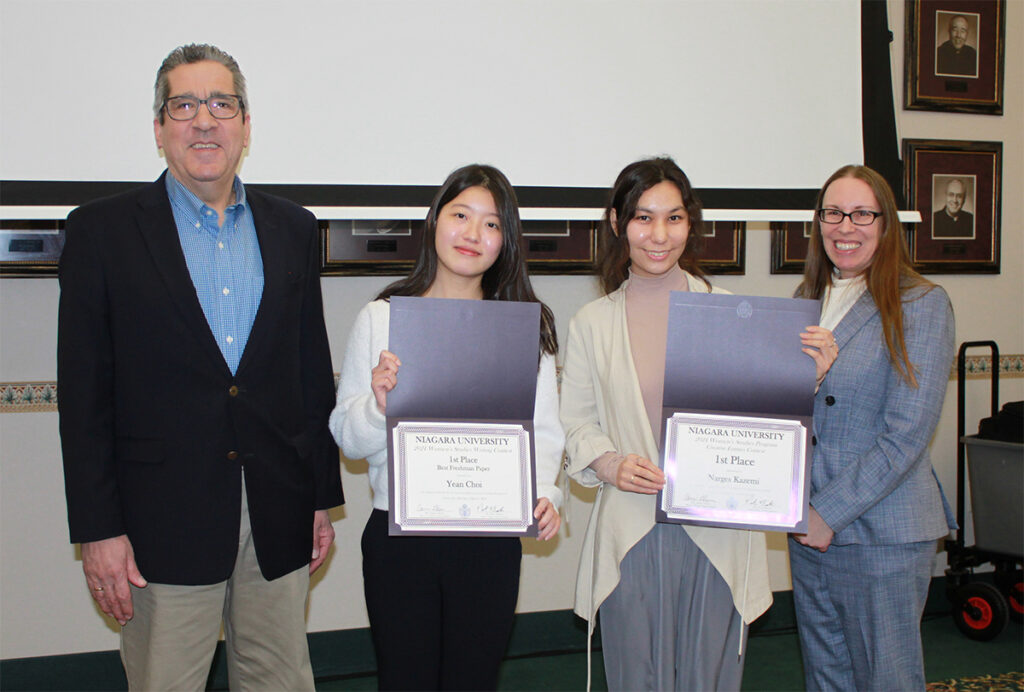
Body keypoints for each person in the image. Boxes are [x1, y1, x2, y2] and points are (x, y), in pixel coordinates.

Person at [57, 43, 343, 690]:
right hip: (160, 523)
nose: (204, 121)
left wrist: (321, 496)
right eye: (184, 105)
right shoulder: (101, 235)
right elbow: (84, 401)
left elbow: (307, 373)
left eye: (222, 104)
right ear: (159, 128)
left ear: (246, 124)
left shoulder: (294, 229)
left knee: (280, 680)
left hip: (277, 512)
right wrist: (98, 531)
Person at [559, 157, 835, 691]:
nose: (659, 235)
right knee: (636, 675)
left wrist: (807, 381)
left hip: (720, 530)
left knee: (708, 676)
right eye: (643, 218)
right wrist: (610, 462)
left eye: (674, 218)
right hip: (632, 529)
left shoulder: (733, 314)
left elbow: (763, 426)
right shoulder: (591, 323)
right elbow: (575, 423)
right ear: (617, 224)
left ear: (691, 224)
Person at [329, 164, 563, 690]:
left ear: (506, 241)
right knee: (404, 678)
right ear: (435, 221)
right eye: (461, 215)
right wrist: (379, 405)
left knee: (473, 680)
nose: (473, 234)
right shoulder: (382, 317)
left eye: (492, 224)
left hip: (490, 540)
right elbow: (347, 435)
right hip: (401, 538)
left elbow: (544, 433)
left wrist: (546, 491)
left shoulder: (524, 322)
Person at [789, 165, 956, 691]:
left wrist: (827, 514)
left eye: (863, 214)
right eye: (834, 213)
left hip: (881, 533)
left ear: (886, 224)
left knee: (887, 680)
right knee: (827, 678)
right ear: (819, 223)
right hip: (807, 527)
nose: (846, 226)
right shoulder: (803, 301)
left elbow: (907, 434)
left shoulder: (921, 304)